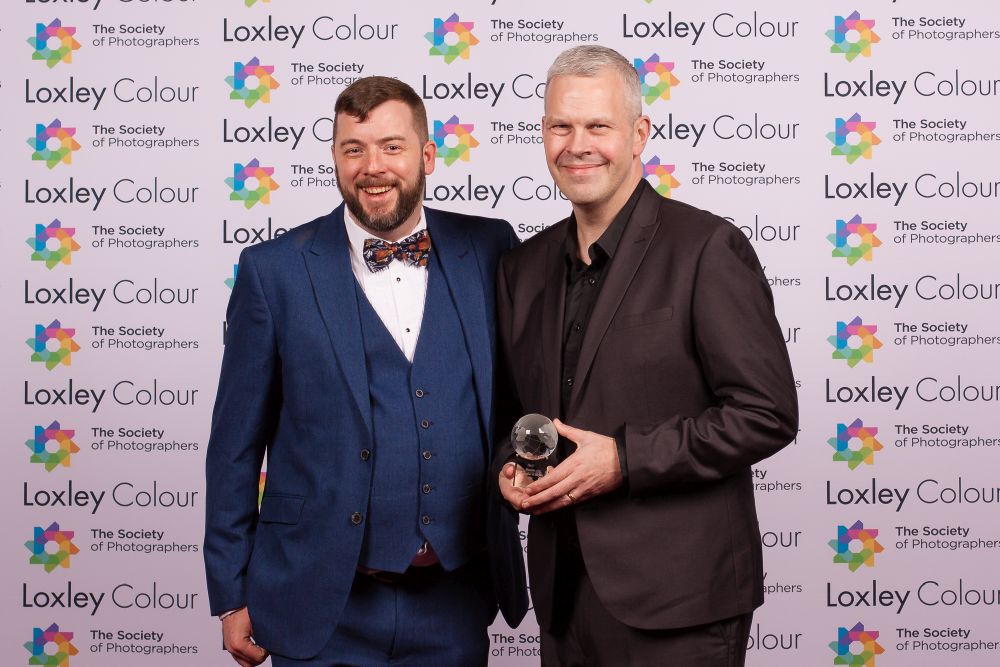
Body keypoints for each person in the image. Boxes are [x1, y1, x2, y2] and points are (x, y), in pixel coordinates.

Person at [204, 76, 527, 667]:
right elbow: (234, 447)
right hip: (317, 602)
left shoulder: (489, 247)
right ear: (334, 157)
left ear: (428, 155)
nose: (372, 167)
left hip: (454, 599)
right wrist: (230, 594)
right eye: (353, 149)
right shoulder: (272, 272)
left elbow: (514, 400)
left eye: (392, 147)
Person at [495, 45, 798, 666]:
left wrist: (626, 459)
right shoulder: (522, 268)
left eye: (598, 126)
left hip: (680, 602)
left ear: (639, 136)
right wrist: (510, 465)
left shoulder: (707, 247)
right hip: (563, 598)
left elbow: (766, 413)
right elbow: (515, 413)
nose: (577, 144)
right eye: (561, 126)